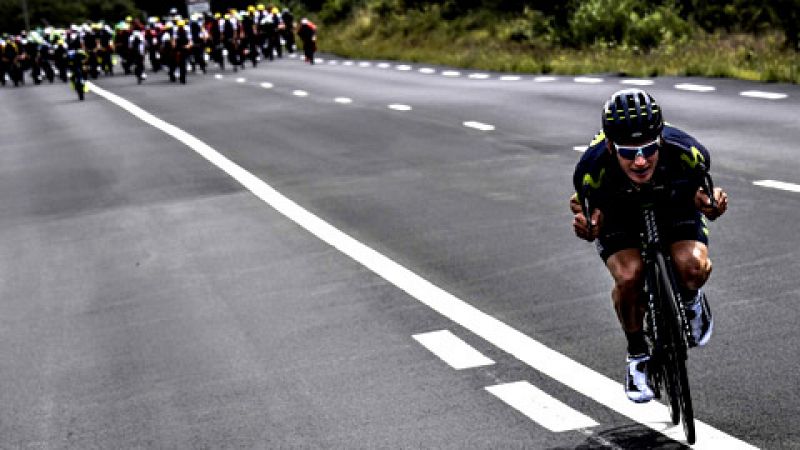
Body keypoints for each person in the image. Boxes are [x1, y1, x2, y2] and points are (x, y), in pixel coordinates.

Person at [569, 89, 729, 403]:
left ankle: (692, 301)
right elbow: (580, 204)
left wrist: (711, 204)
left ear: (660, 139)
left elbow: (704, 193)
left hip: (673, 207)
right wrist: (588, 225)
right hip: (619, 218)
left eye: (648, 149)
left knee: (692, 268)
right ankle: (637, 356)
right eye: (628, 152)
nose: (640, 160)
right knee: (629, 277)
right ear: (611, 146)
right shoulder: (591, 167)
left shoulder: (688, 151)